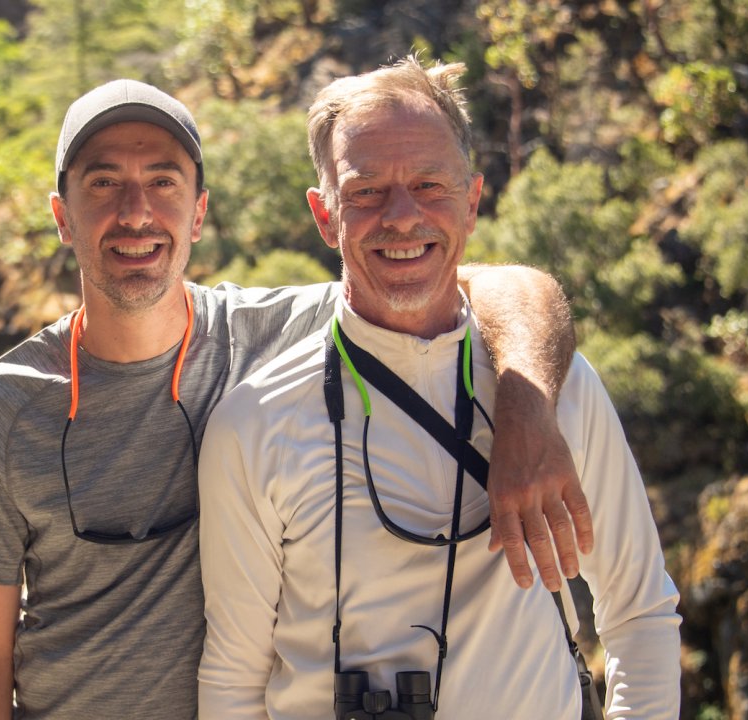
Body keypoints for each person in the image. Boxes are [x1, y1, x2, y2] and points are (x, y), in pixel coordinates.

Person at [0, 78, 591, 720]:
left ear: (199, 212)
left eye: (163, 182)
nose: (135, 212)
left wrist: (527, 411)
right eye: (104, 183)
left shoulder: (284, 337)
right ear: (63, 217)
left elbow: (504, 287)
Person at [196, 57, 681, 719]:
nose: (401, 217)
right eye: (365, 191)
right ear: (324, 213)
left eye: (429, 184)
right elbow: (232, 682)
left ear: (472, 201)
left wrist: (527, 408)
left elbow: (639, 612)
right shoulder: (253, 425)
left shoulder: (552, 390)